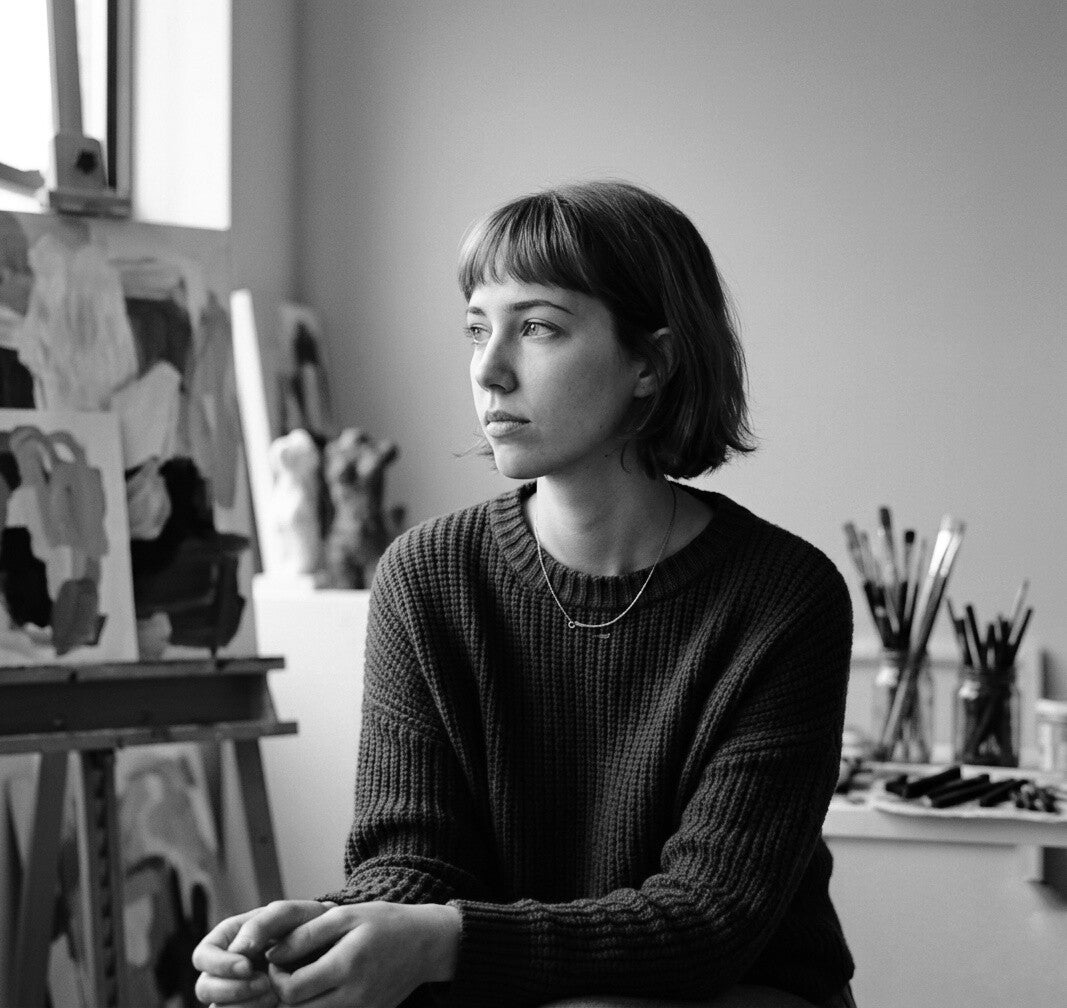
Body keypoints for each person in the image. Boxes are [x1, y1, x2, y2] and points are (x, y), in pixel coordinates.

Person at [193, 180, 857, 1008]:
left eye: (536, 327)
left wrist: (443, 941)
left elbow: (708, 920)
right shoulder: (427, 574)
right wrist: (325, 938)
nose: (489, 369)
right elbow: (414, 859)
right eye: (477, 328)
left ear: (650, 364)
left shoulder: (784, 597)